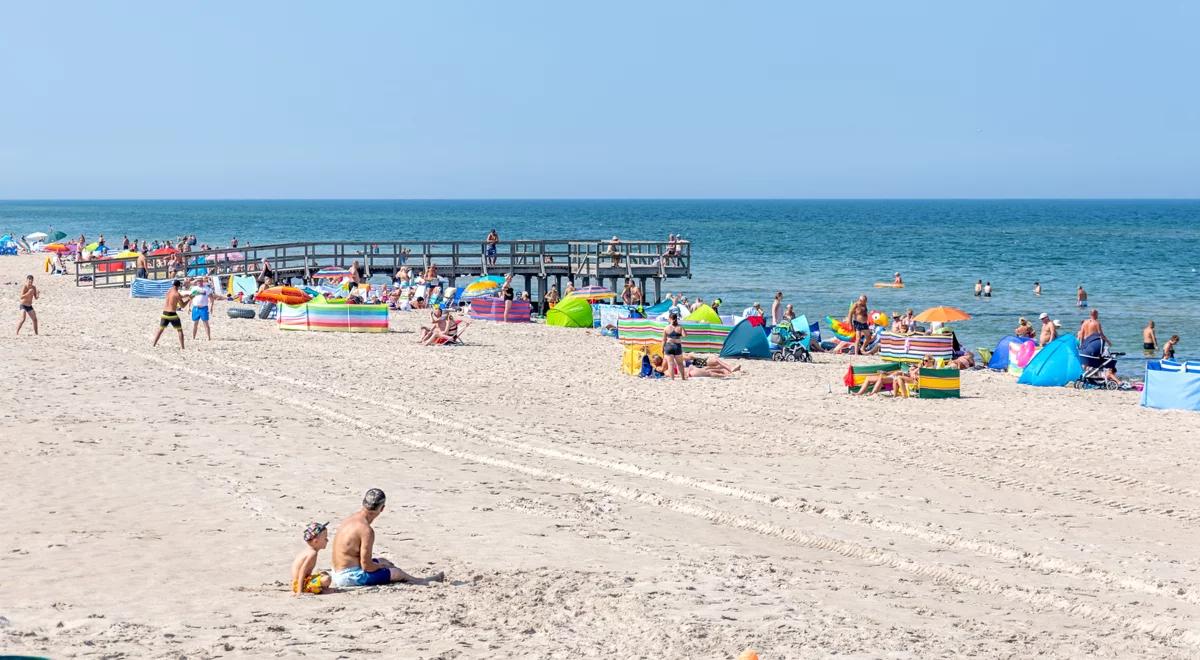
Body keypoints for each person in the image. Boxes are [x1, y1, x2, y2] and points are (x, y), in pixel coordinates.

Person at [330, 489, 443, 588]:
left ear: (363, 503)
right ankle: (420, 581)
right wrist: (379, 566)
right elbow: (367, 566)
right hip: (348, 577)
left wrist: (381, 564)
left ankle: (402, 576)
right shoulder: (366, 530)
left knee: (384, 561)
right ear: (382, 508)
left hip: (337, 572)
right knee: (397, 573)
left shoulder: (350, 519)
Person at [291, 522, 332, 595]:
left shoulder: (308, 551)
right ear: (316, 541)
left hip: (301, 582)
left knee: (324, 573)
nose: (327, 540)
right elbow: (302, 572)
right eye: (325, 538)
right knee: (327, 579)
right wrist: (299, 591)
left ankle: (319, 588)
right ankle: (313, 589)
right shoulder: (312, 554)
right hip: (300, 585)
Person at [152, 280, 192, 349]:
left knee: (160, 329)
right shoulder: (177, 294)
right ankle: (182, 347)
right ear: (178, 286)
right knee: (179, 330)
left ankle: (154, 344)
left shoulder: (168, 291)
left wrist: (184, 296)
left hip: (164, 313)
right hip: (172, 314)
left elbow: (174, 297)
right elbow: (182, 306)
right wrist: (189, 299)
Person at [661, 312, 688, 380]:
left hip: (669, 346)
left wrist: (662, 348)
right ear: (676, 319)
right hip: (677, 346)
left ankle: (672, 379)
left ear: (669, 319)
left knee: (670, 364)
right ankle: (683, 378)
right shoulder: (680, 327)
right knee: (680, 364)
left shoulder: (666, 328)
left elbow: (663, 340)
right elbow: (685, 335)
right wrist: (682, 328)